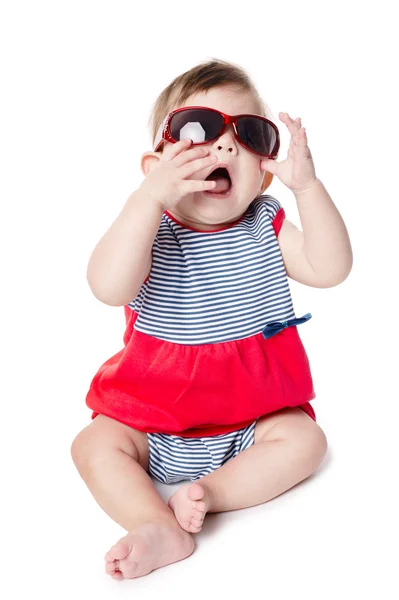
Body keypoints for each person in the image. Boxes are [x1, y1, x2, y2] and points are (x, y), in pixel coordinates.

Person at [71, 58, 353, 580]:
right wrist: (149, 200)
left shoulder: (263, 227)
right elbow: (108, 287)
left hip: (252, 418)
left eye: (248, 133)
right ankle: (155, 524)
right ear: (154, 164)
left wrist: (307, 189)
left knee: (306, 442)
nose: (224, 146)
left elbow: (330, 268)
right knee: (94, 444)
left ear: (265, 170)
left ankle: (210, 493)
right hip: (151, 418)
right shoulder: (150, 230)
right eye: (196, 130)